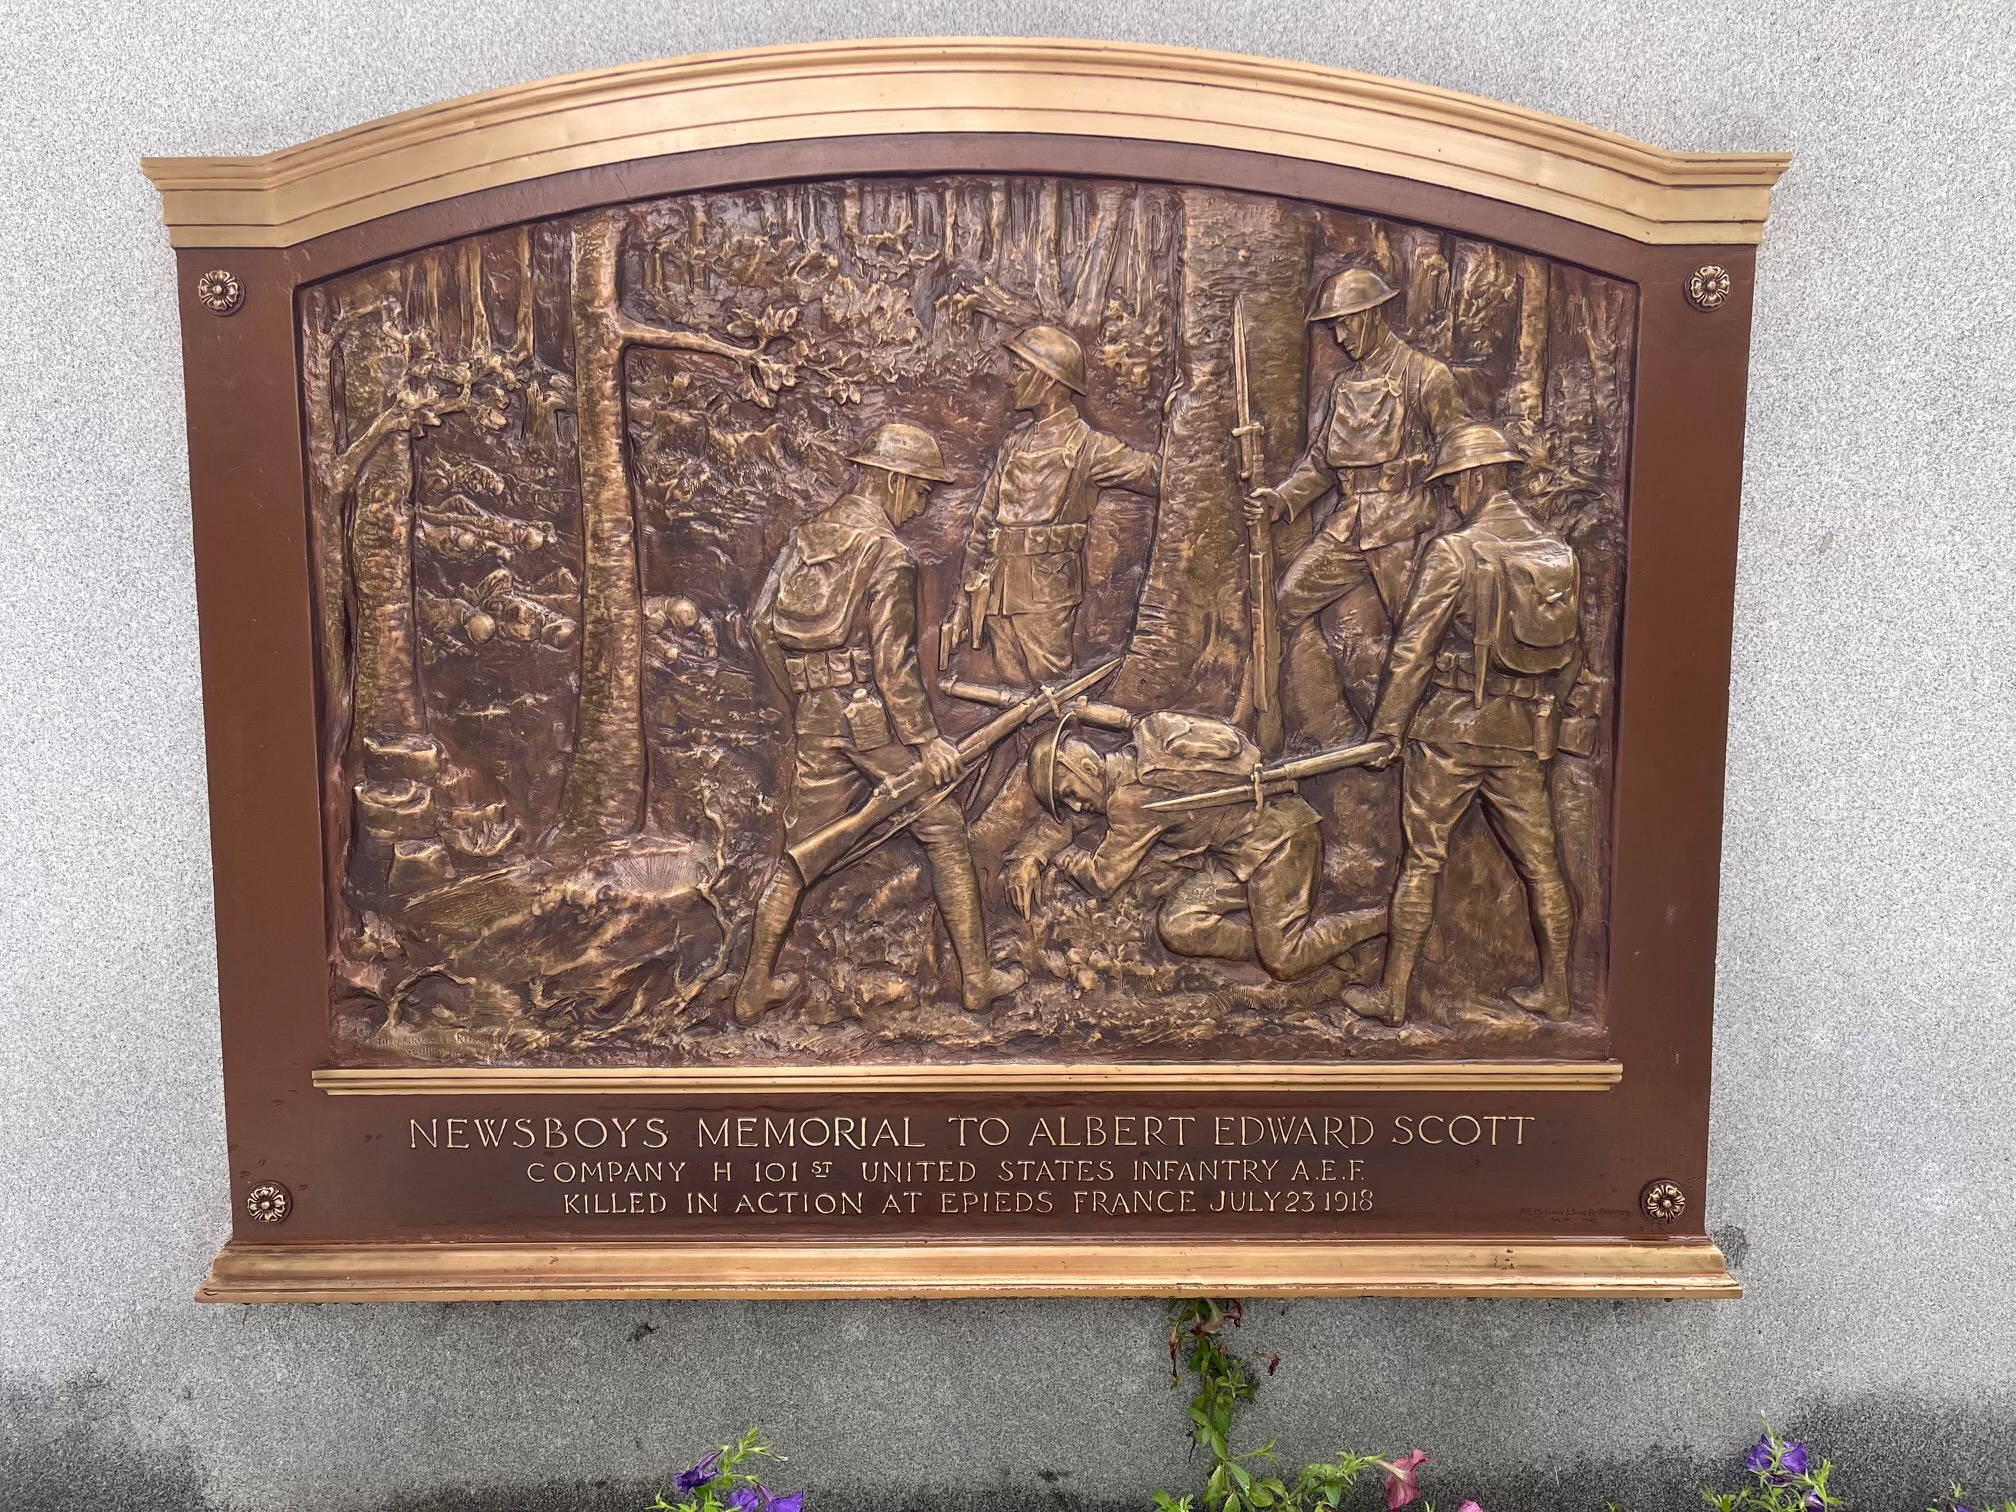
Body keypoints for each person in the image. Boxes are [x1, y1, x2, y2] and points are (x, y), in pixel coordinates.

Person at [735, 423, 1025, 1023]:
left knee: (798, 852)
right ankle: (976, 981)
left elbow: (761, 625)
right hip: (871, 721)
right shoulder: (888, 556)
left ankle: (752, 986)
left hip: (816, 717)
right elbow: (894, 664)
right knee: (944, 828)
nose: (920, 506)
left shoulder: (806, 536)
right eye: (919, 491)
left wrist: (804, 700)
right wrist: (926, 741)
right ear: (892, 480)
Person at [1343, 421, 1581, 1027]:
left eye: (1454, 484)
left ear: (1478, 477)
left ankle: (1393, 997)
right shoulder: (1557, 556)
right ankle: (1557, 992)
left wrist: (1388, 728)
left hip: (1450, 730)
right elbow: (1572, 654)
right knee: (1543, 866)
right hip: (1522, 735)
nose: (1451, 497)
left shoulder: (1455, 551)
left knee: (1423, 859)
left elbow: (1413, 649)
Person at [1245, 267, 1466, 742]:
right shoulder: (1345, 387)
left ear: (1370, 315)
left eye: (1344, 323)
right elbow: (1322, 462)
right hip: (1348, 527)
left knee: (1422, 636)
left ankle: (1436, 738)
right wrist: (1281, 498)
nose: (1339, 336)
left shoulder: (1426, 377)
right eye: (1333, 327)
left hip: (1404, 528)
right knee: (1283, 600)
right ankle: (1286, 722)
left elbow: (1463, 449)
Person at [1008, 711, 1384, 982]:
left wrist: (1060, 856)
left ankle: (1387, 920)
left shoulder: (1131, 803)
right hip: (1238, 854)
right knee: (1179, 926)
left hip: (1280, 844)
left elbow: (1103, 879)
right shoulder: (1150, 733)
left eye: (1069, 794)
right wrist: (1034, 853)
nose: (1075, 807)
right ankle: (1313, 943)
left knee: (1284, 962)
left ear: (1087, 769)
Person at [944, 324, 1160, 686]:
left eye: (1020, 369)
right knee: (1008, 702)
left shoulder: (1090, 447)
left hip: (1047, 595)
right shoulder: (1013, 444)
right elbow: (982, 525)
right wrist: (965, 599)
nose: (1011, 379)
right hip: (997, 594)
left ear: (1048, 380)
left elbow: (1156, 474)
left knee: (1050, 700)